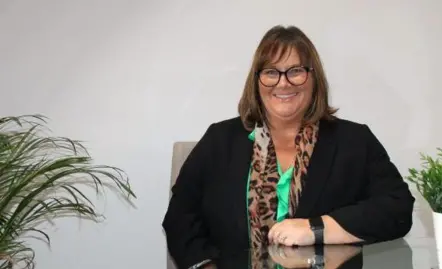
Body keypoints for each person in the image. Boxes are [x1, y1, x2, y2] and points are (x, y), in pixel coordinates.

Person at [162, 25, 415, 269]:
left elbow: (398, 208)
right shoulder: (219, 140)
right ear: (257, 80)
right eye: (271, 72)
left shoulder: (355, 141)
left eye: (295, 71)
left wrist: (316, 228)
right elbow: (180, 217)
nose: (283, 83)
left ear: (313, 78)